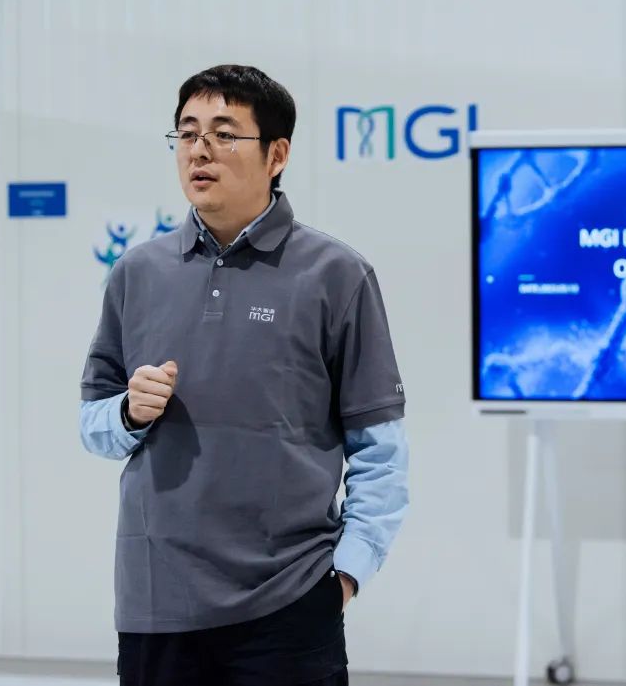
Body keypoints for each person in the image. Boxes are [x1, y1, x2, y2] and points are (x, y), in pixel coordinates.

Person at [78, 64, 409, 686]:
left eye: (224, 133)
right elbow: (93, 425)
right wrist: (127, 411)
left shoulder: (337, 275)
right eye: (187, 133)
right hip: (156, 607)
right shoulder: (136, 273)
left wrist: (345, 576)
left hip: (288, 606)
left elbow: (380, 450)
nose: (199, 150)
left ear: (277, 155)